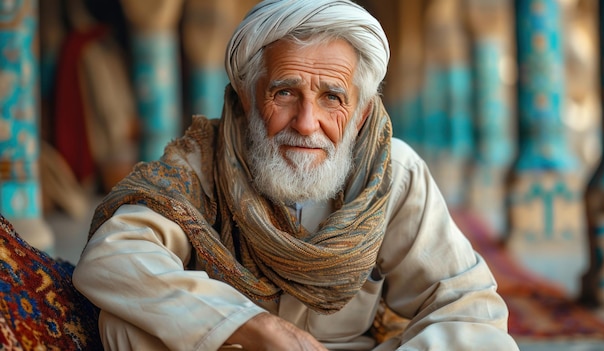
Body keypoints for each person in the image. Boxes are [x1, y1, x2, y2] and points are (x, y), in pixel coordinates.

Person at [73, 0, 520, 350]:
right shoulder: (199, 164)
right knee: (125, 323)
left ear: (361, 113)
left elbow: (468, 304)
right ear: (249, 98)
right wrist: (253, 327)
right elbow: (113, 256)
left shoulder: (391, 175)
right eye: (284, 92)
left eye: (331, 98)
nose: (307, 123)